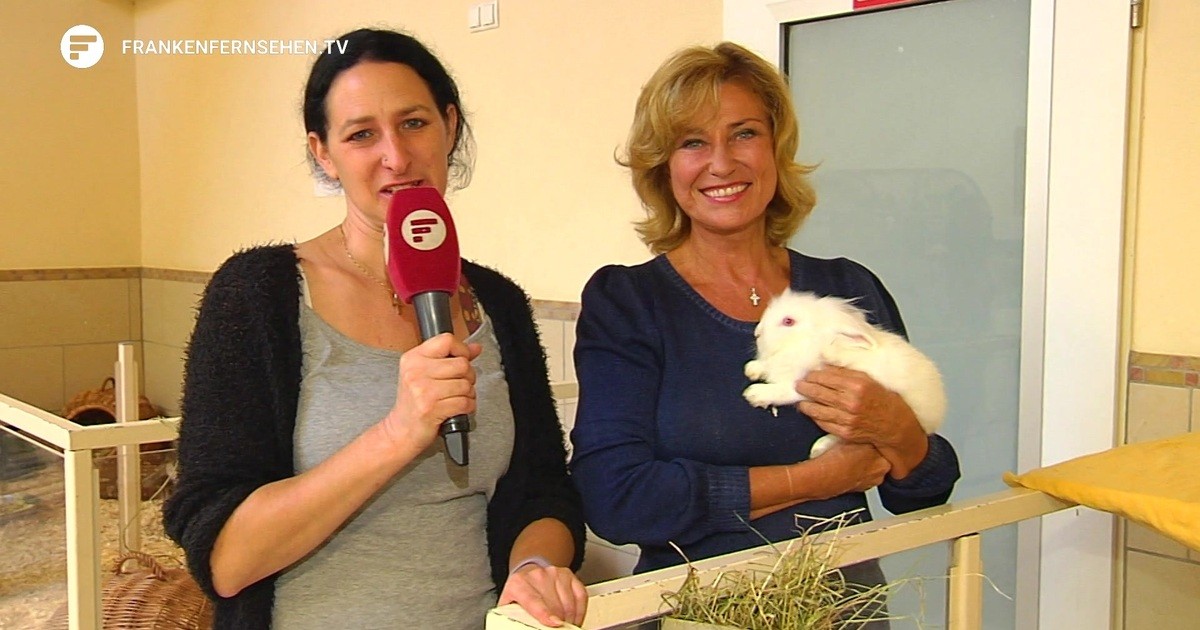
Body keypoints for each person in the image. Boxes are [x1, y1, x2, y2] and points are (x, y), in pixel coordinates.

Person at [163, 28, 586, 630]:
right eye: (361, 134)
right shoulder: (257, 295)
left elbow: (542, 491)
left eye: (414, 123)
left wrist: (535, 566)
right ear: (323, 153)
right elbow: (225, 559)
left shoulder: (498, 303)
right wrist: (398, 433)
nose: (396, 155)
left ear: (449, 126)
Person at [569, 42, 960, 625]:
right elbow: (616, 498)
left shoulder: (846, 289)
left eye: (744, 134)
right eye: (692, 142)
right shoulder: (628, 302)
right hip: (693, 612)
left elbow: (924, 490)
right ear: (663, 166)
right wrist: (815, 480)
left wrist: (896, 428)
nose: (721, 163)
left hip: (843, 611)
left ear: (776, 148)